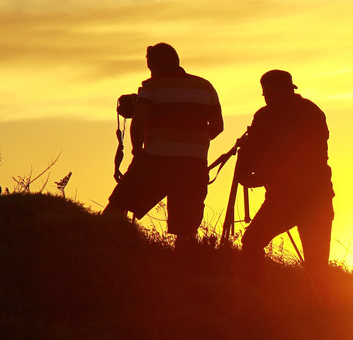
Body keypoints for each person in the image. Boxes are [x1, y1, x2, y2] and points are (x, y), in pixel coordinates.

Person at [104, 43, 223, 249]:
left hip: (156, 160)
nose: (150, 69)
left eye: (151, 64)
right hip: (194, 165)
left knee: (118, 205)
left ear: (158, 63)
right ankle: (182, 271)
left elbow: (138, 122)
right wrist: (192, 143)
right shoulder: (205, 86)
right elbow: (218, 127)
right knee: (186, 229)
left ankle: (103, 247)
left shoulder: (151, 86)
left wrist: (138, 150)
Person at [238, 69, 334, 284]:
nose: (267, 97)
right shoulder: (312, 111)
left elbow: (258, 154)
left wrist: (254, 173)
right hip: (316, 197)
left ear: (269, 91)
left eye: (267, 93)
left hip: (286, 199)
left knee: (252, 242)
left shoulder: (265, 115)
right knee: (317, 266)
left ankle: (256, 293)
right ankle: (322, 313)